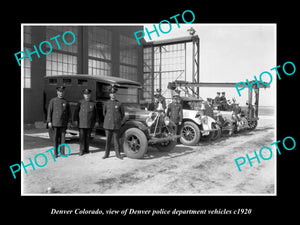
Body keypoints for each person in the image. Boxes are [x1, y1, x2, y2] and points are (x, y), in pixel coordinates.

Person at [74, 89, 99, 156]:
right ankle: (81, 150)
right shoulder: (80, 102)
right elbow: (76, 112)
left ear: (90, 95)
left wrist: (97, 121)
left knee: (88, 137)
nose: (87, 96)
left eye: (88, 94)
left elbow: (96, 114)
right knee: (82, 137)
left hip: (89, 123)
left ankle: (86, 149)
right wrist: (76, 120)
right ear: (83, 95)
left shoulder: (93, 103)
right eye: (85, 94)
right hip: (81, 123)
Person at [47, 86, 71, 158]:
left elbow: (69, 113)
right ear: (57, 92)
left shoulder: (66, 102)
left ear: (64, 92)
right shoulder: (53, 101)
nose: (61, 93)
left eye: (62, 92)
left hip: (63, 123)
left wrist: (69, 121)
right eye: (60, 92)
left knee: (63, 139)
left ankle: (62, 152)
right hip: (55, 122)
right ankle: (55, 153)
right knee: (55, 138)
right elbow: (49, 111)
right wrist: (49, 121)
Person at [102, 85, 125, 160]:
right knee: (108, 140)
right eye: (111, 93)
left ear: (115, 94)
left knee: (116, 140)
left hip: (116, 125)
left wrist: (118, 121)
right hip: (108, 124)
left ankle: (118, 154)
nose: (113, 95)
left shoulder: (119, 103)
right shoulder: (106, 103)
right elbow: (104, 113)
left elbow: (122, 114)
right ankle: (106, 154)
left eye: (114, 93)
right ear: (109, 95)